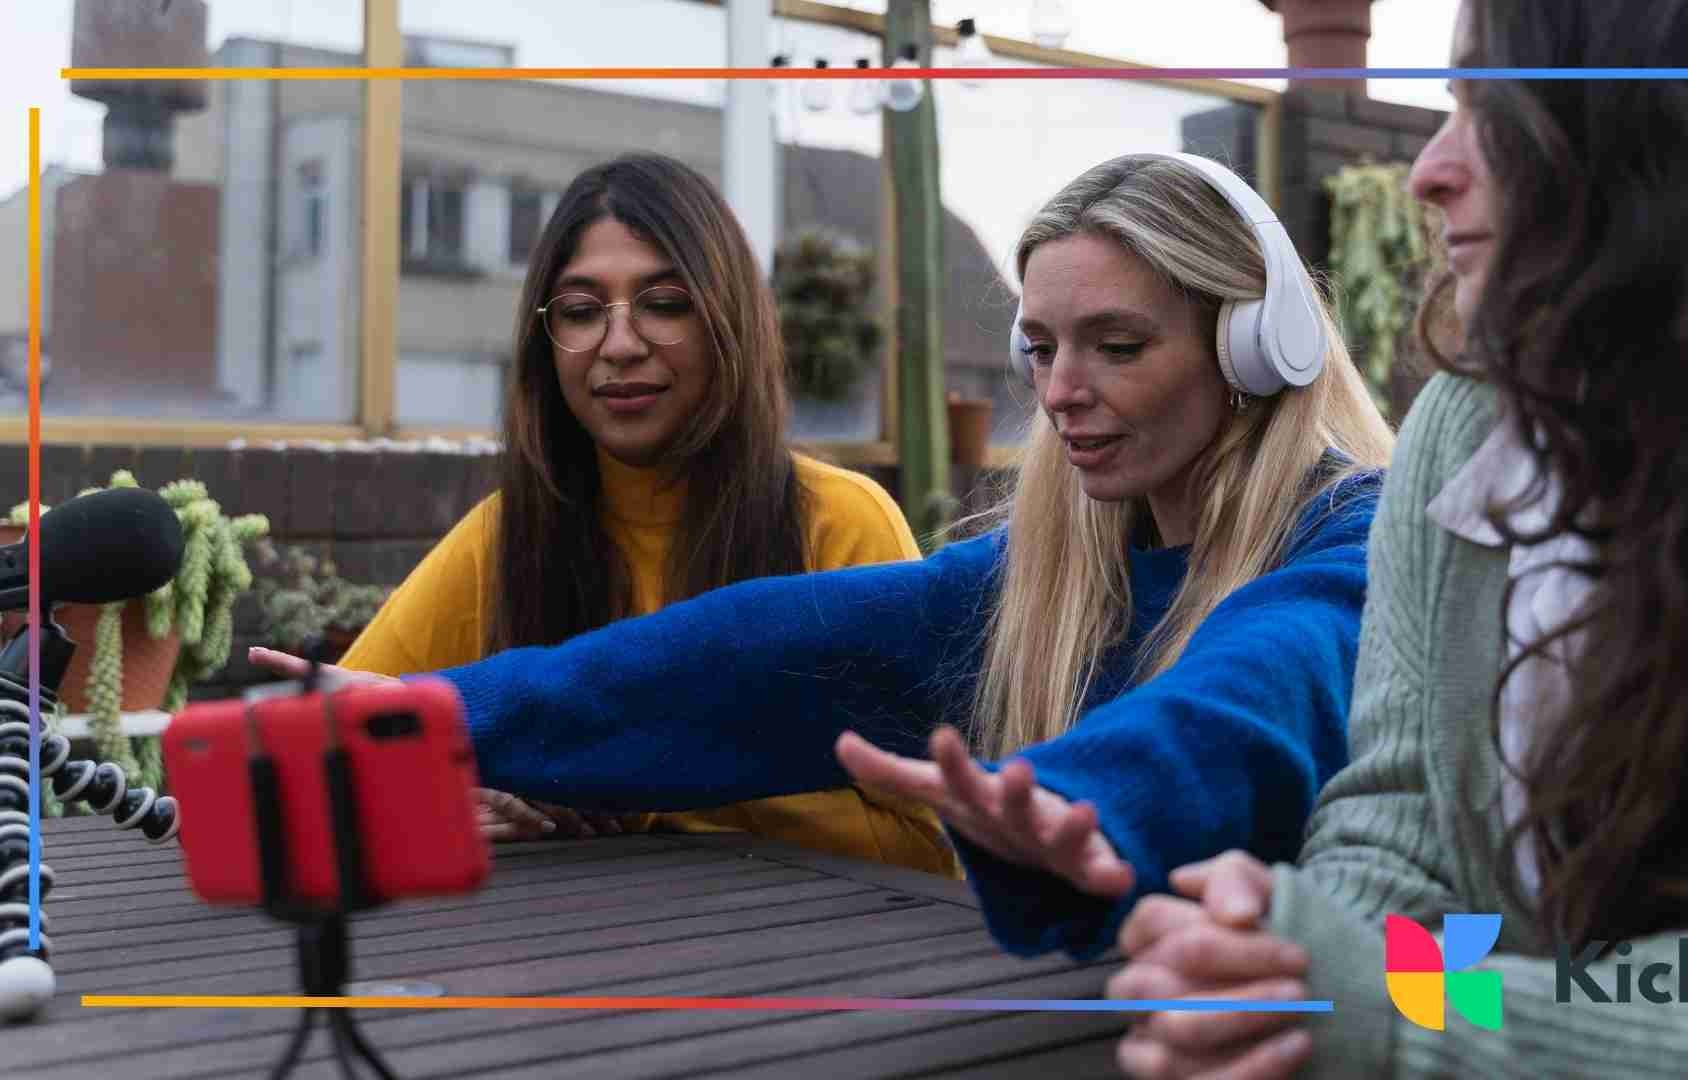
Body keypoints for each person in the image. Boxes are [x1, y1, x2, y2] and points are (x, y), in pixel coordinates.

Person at [264, 152, 1396, 958]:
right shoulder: (1043, 581)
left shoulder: (1363, 546)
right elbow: (737, 655)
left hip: (1439, 1010)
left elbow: (1252, 685)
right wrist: (437, 717)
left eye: (1118, 345)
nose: (1060, 392)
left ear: (1257, 345)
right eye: (1042, 348)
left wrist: (1083, 797)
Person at [1107, 1, 1688, 1076]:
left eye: (1490, 108)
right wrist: (1286, 976)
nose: (1428, 173)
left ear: (1669, 118)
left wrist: (1409, 1020)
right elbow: (1400, 831)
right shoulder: (1465, 425)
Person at [255, 153, 959, 878]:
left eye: (665, 303)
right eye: (581, 311)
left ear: (731, 319)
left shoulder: (840, 524)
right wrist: (453, 796)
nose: (619, 345)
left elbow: (933, 846)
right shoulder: (505, 536)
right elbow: (310, 767)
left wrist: (637, 786)